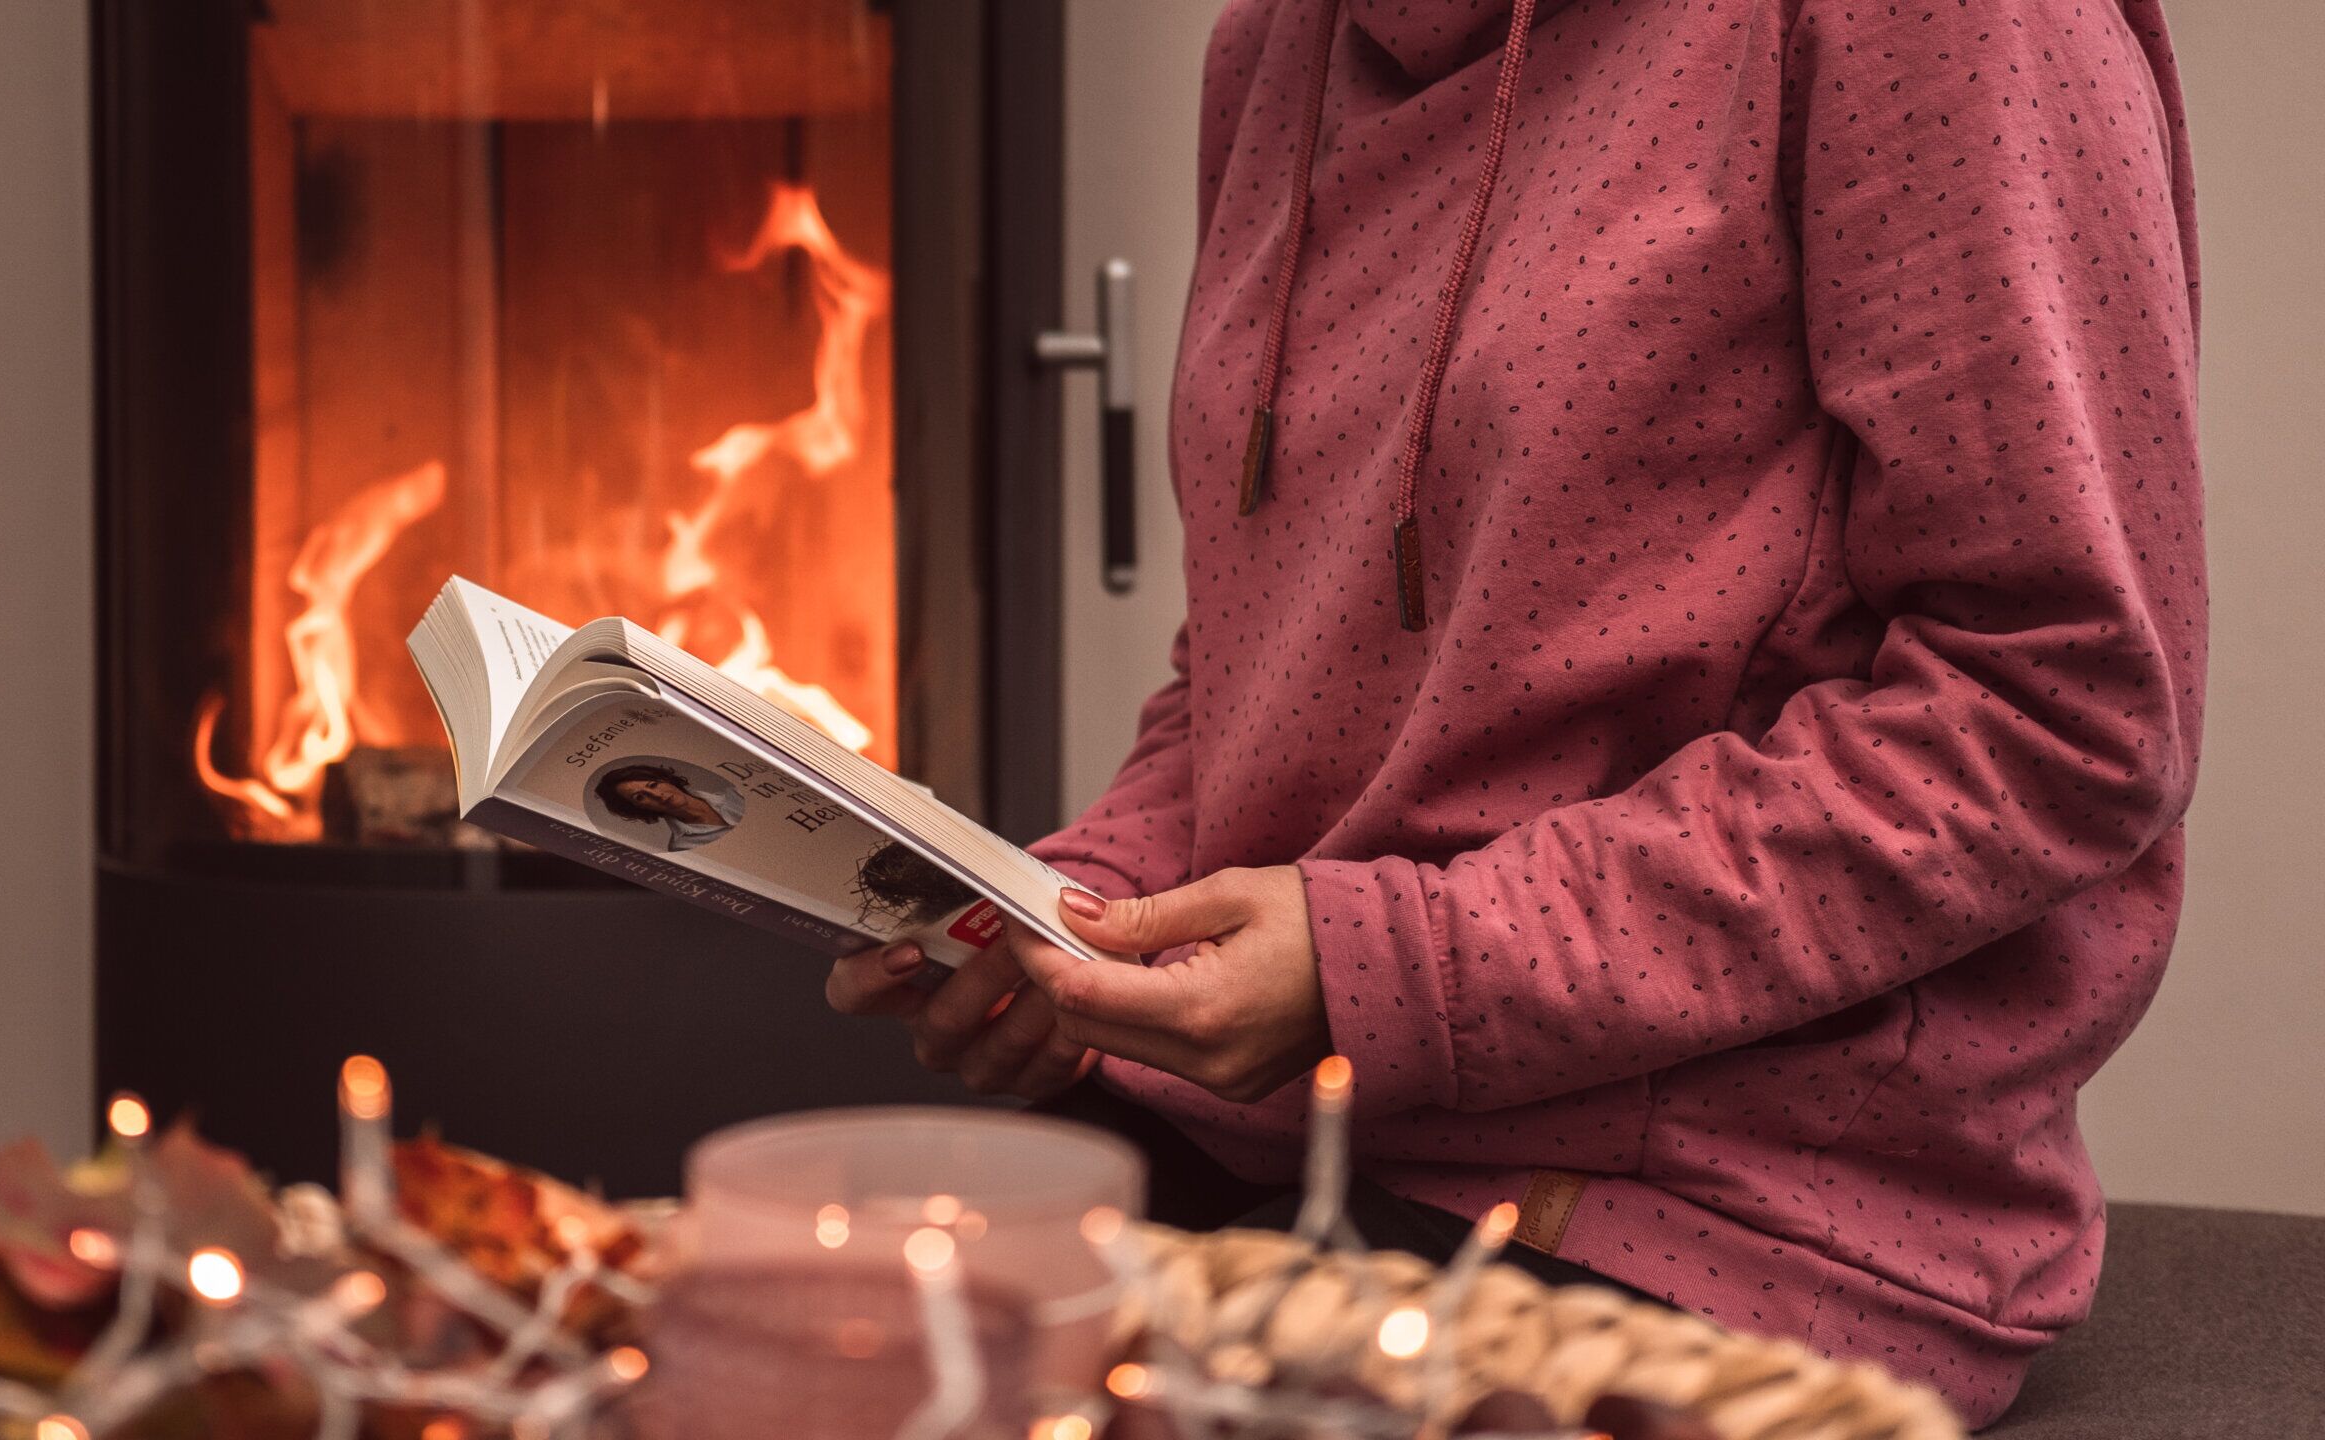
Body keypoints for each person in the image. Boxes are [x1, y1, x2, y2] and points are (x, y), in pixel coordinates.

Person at [829, 0, 2203, 1424]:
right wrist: (1082, 909)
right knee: (748, 1343)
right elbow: (1259, 664)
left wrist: (1394, 970)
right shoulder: (1274, 48)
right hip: (1286, 1135)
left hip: (1720, 1209)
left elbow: (2052, 711)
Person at [590, 762, 743, 852]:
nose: (657, 795)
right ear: (637, 808)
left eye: (653, 785)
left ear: (666, 779)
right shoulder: (683, 847)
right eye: (640, 797)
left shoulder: (737, 795)